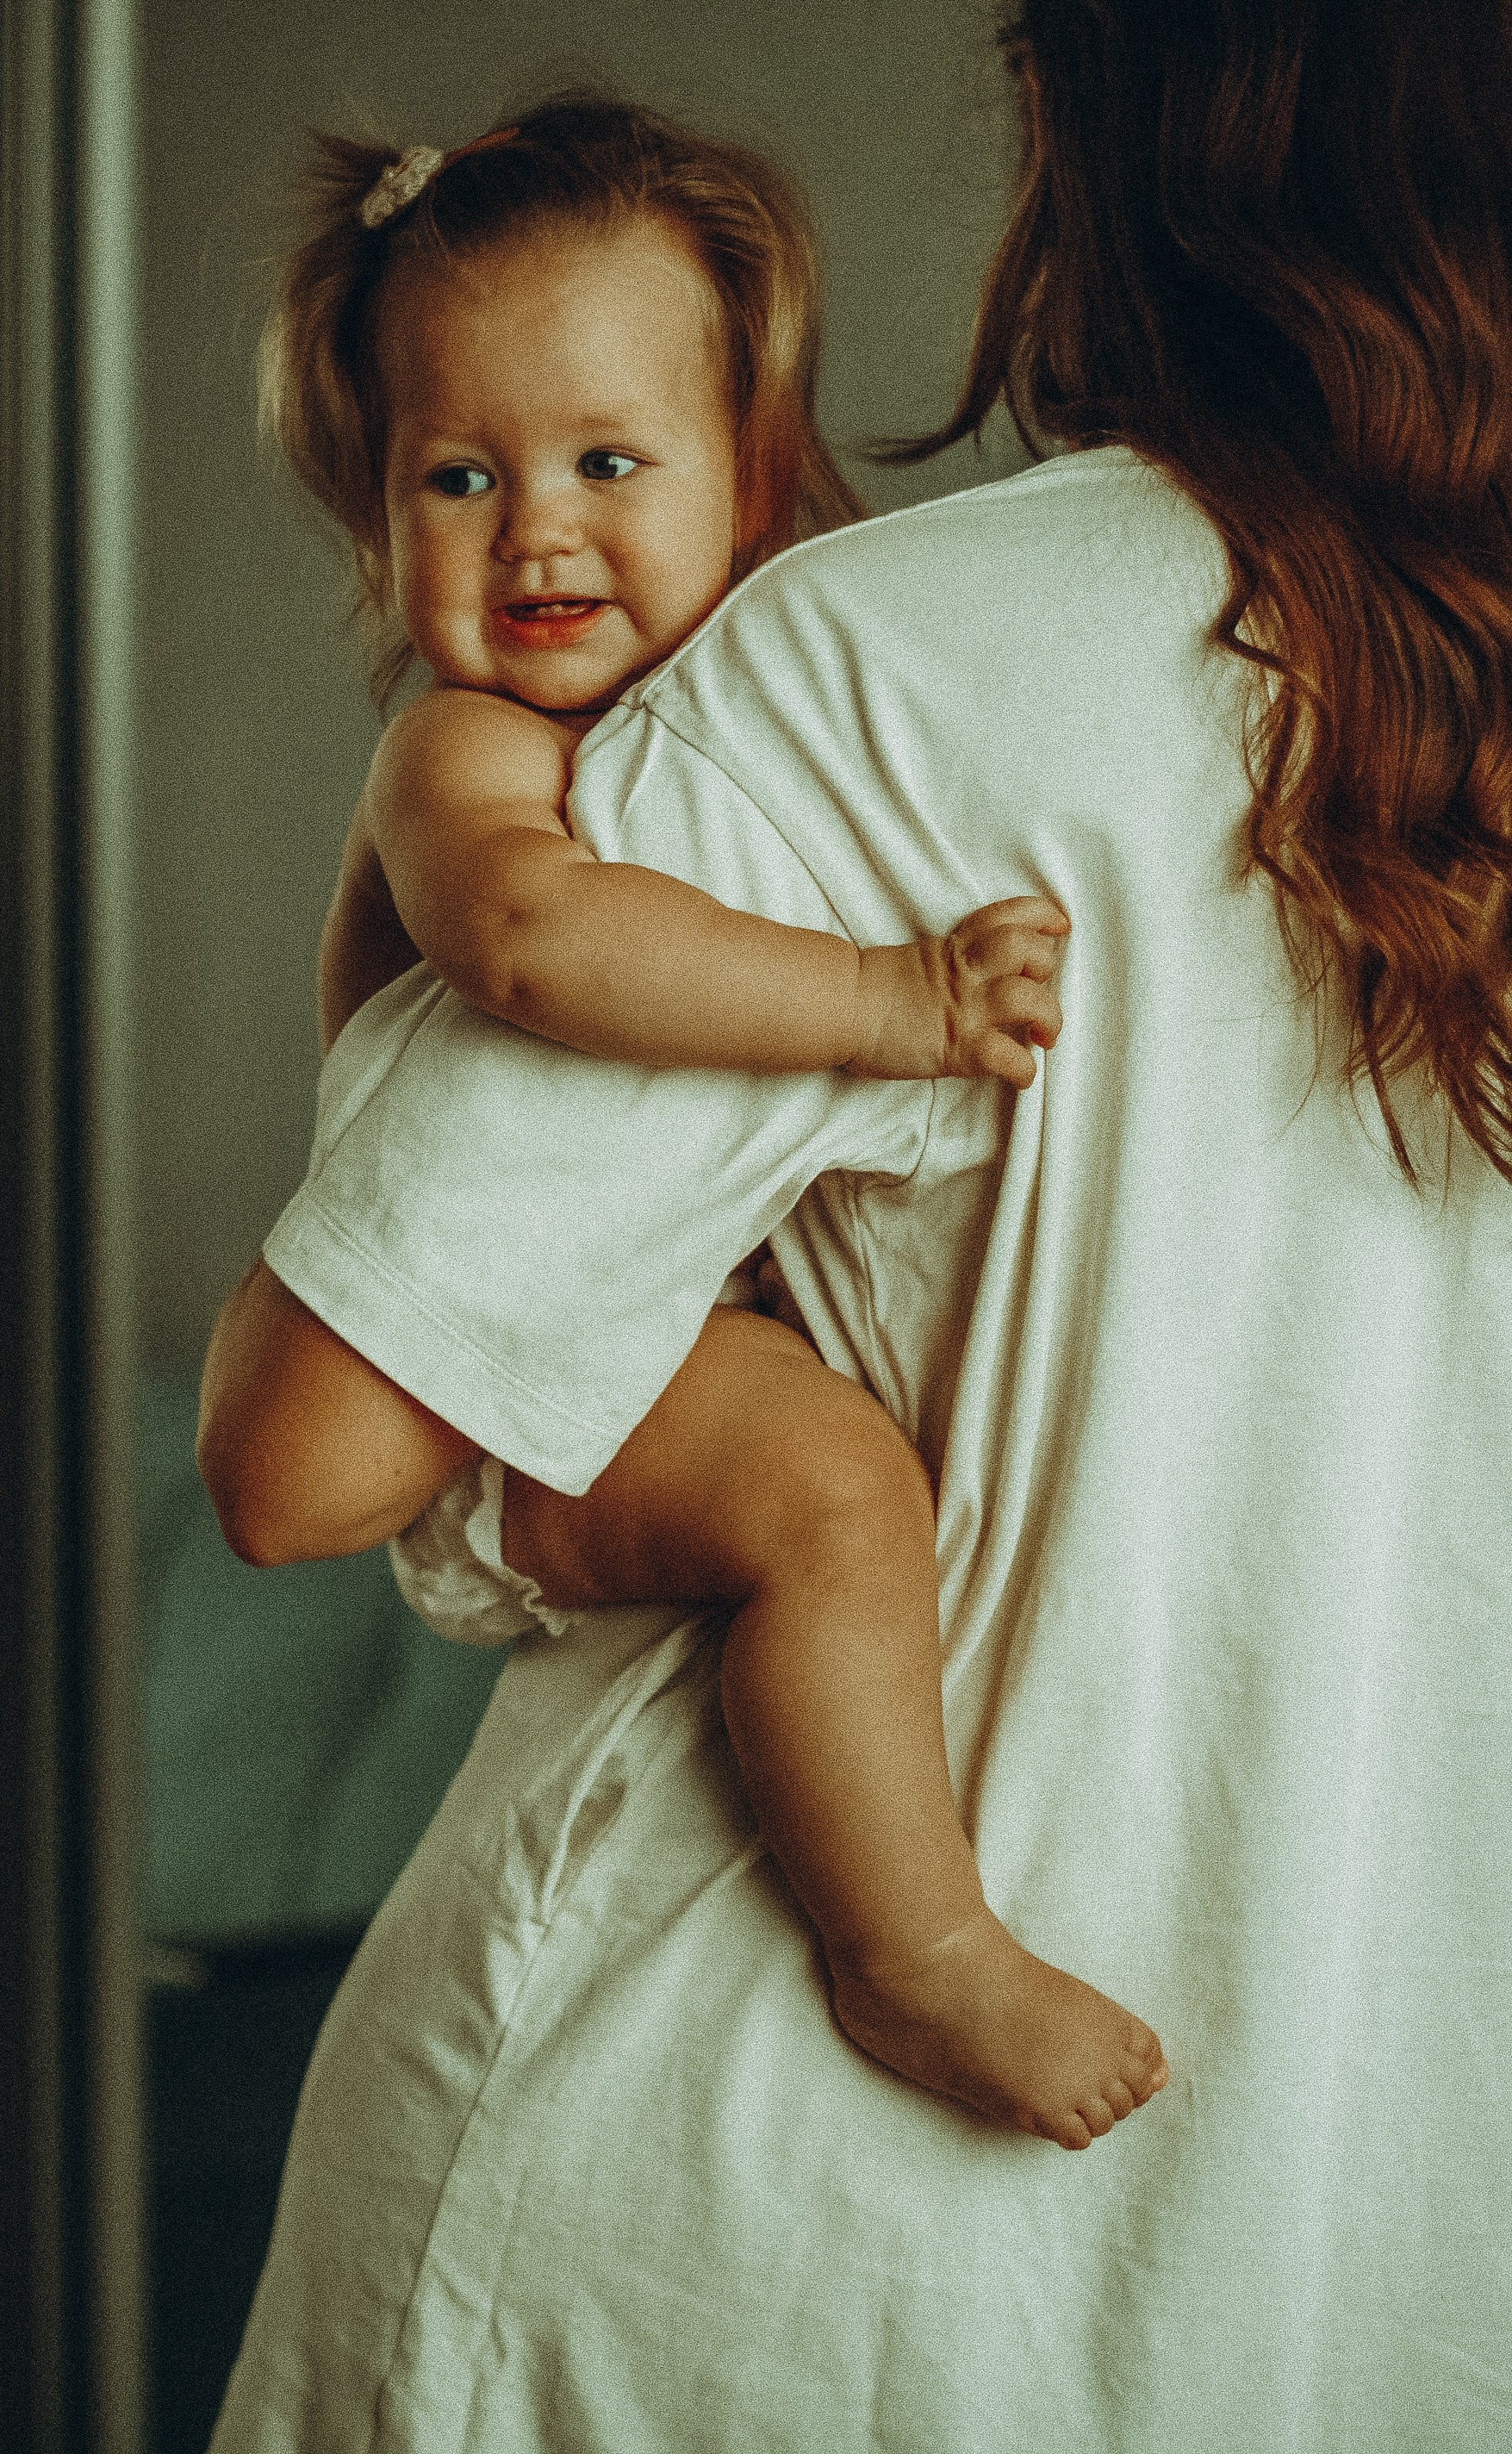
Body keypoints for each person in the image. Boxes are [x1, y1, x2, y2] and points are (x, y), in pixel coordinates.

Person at [199, 3, 1512, 2447]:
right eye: (455, 476)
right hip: (1356, 2247)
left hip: (742, 2237)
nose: (539, 528)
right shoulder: (646, 721)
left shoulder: (879, 668)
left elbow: (302, 1452)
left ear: (1115, 124)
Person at [252, 92, 1166, 2142]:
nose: (532, 531)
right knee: (837, 1502)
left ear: (746, 476)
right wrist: (887, 1000)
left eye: (602, 461)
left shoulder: (774, 680)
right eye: (456, 475)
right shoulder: (460, 751)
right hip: (522, 1379)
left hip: (634, 1324)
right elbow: (539, 941)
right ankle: (916, 1951)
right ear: (381, 514)